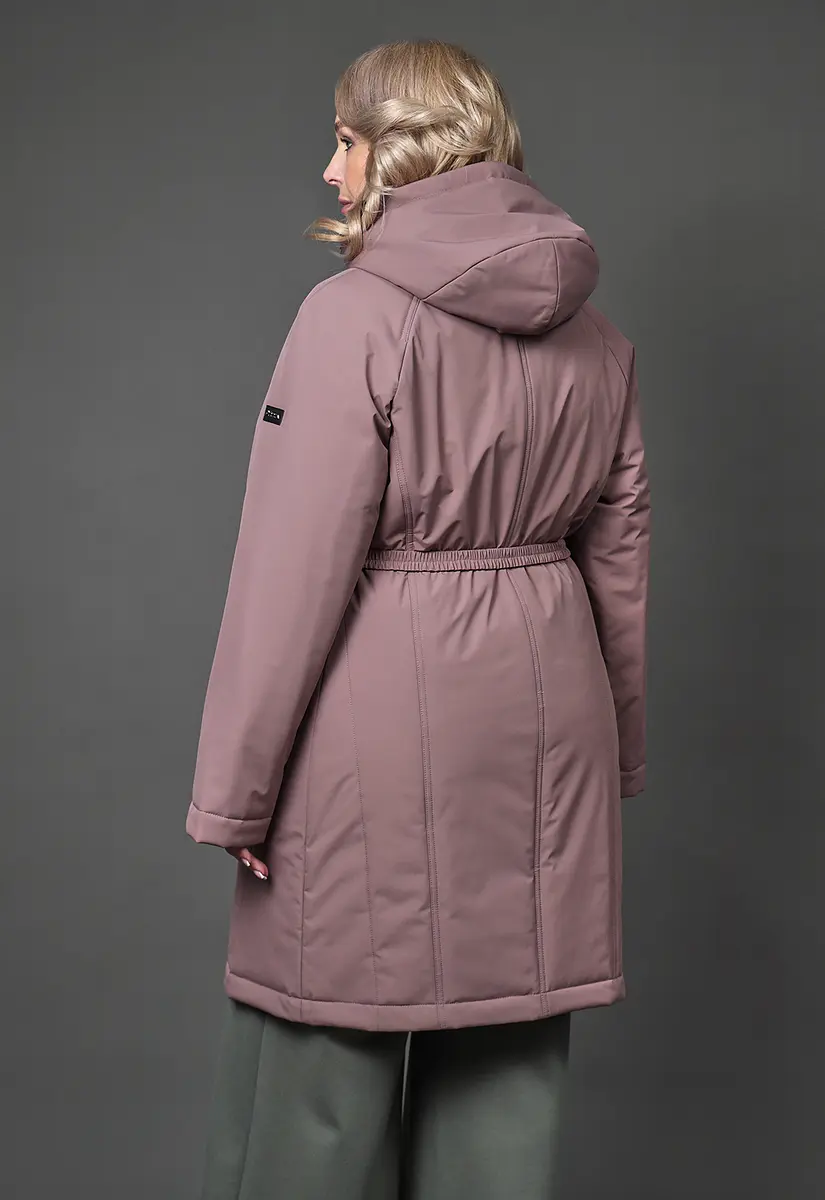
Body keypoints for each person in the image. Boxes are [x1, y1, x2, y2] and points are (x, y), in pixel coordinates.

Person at [186, 37, 651, 1200]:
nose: (330, 170)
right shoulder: (598, 337)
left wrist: (239, 790)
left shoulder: (350, 319)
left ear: (402, 152)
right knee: (505, 1086)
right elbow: (620, 561)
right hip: (549, 732)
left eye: (345, 141)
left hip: (378, 735)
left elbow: (291, 570)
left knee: (321, 1083)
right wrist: (615, 756)